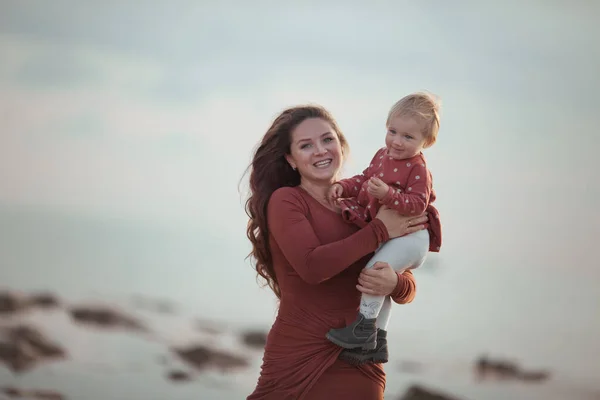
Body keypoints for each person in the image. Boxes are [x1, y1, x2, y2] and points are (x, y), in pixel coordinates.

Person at [244, 104, 430, 400]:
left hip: (360, 360)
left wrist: (395, 284)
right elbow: (312, 267)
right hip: (298, 357)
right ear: (291, 159)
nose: (320, 150)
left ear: (341, 145)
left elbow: (404, 279)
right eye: (306, 145)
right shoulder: (287, 201)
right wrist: (380, 230)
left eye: (327, 139)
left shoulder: (365, 203)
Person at [325, 92, 442, 358]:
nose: (397, 142)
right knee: (383, 288)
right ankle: (377, 343)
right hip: (394, 235)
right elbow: (365, 179)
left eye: (408, 137)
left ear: (427, 141)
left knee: (374, 274)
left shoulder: (418, 168)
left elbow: (417, 204)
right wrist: (344, 186)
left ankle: (363, 330)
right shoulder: (382, 155)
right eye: (393, 131)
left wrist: (387, 196)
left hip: (411, 237)